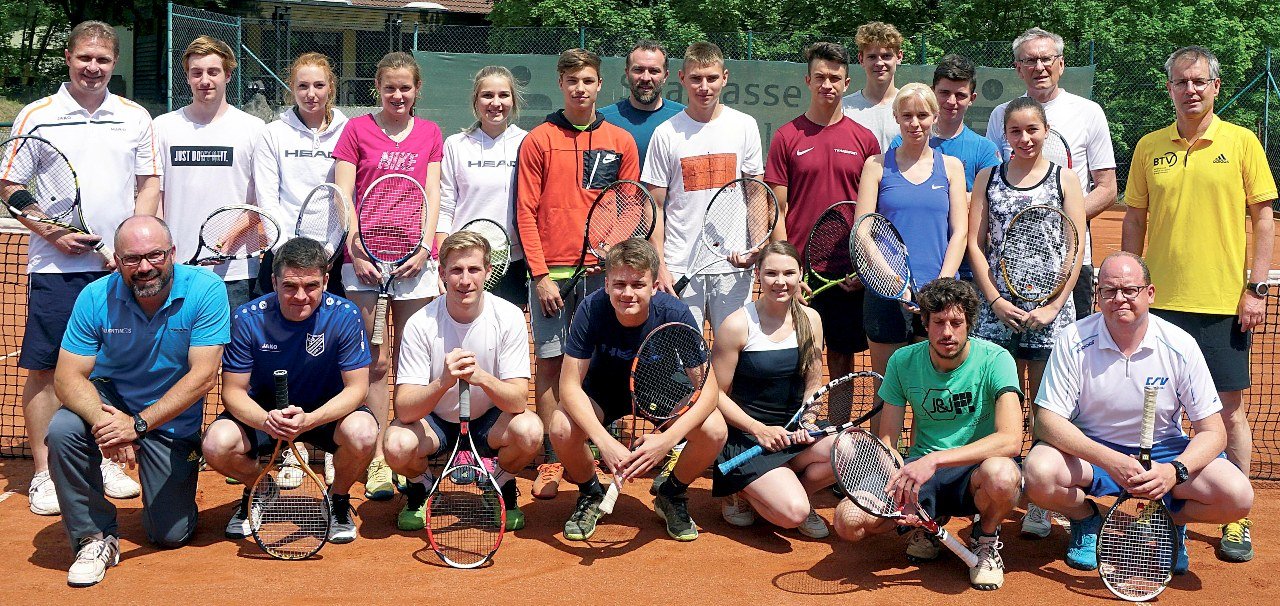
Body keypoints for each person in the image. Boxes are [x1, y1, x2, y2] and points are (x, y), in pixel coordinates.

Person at [1121, 45, 1276, 562]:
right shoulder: (1148, 147)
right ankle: (1155, 502)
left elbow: (1262, 218)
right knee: (1153, 411)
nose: (1190, 89)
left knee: (1228, 414)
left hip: (1222, 306)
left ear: (1215, 86)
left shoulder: (1242, 142)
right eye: (1181, 81)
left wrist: (1256, 288)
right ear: (1170, 88)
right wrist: (1127, 286)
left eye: (1200, 81)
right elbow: (1135, 219)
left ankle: (1237, 516)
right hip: (1157, 306)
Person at [1023, 252, 1255, 575]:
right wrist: (1109, 461)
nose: (1120, 299)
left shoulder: (1180, 345)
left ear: (1150, 294)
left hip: (1163, 454)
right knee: (1037, 472)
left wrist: (1175, 471)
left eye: (1130, 290)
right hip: (1094, 453)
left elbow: (1214, 432)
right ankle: (1086, 520)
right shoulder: (1073, 340)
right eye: (1109, 291)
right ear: (1098, 296)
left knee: (1238, 495)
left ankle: (1167, 522)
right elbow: (1047, 421)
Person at [9, 20, 156, 517]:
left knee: (111, 368)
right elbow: (10, 186)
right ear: (69, 58)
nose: (94, 67)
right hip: (54, 267)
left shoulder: (135, 117)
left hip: (119, 268)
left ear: (114, 64)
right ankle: (45, 472)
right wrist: (52, 231)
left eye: (103, 60)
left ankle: (106, 457)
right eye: (85, 58)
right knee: (48, 369)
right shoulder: (38, 115)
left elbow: (148, 185)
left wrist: (134, 245)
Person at [46, 216, 228, 586]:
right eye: (132, 259)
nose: (144, 267)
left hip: (170, 416)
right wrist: (108, 424)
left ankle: (176, 490)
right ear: (117, 259)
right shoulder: (95, 296)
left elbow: (204, 376)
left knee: (170, 534)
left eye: (155, 255)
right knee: (64, 428)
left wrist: (138, 425)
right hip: (112, 401)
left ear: (173, 253)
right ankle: (94, 537)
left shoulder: (207, 289)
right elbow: (66, 376)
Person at [833, 278, 1023, 591]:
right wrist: (899, 486)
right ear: (925, 322)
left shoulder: (996, 359)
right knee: (848, 522)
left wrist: (934, 460)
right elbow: (887, 443)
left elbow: (1011, 439)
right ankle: (928, 526)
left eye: (956, 322)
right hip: (921, 475)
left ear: (969, 324)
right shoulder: (903, 361)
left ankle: (986, 536)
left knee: (1002, 475)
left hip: (977, 473)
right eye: (938, 322)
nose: (947, 333)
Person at [515, 48, 640, 500]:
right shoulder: (538, 139)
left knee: (598, 365)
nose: (580, 88)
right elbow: (525, 212)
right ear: (561, 84)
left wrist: (611, 264)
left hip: (601, 274)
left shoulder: (621, 141)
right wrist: (541, 274)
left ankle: (592, 451)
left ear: (600, 84)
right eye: (572, 81)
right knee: (551, 365)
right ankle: (551, 458)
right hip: (551, 274)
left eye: (588, 80)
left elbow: (627, 207)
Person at [202, 237, 376, 545]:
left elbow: (357, 389)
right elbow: (232, 391)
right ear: (274, 281)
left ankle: (337, 500)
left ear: (325, 280)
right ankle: (260, 488)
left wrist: (310, 419)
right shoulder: (247, 317)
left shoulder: (346, 315)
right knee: (216, 444)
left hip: (325, 412)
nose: (300, 296)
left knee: (362, 434)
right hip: (265, 413)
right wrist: (267, 420)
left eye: (311, 286)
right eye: (289, 286)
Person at [550, 238, 727, 541]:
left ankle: (671, 493)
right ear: (606, 284)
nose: (628, 293)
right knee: (561, 427)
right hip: (603, 389)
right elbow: (568, 387)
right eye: (619, 284)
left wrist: (666, 440)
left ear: (655, 285)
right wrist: (604, 442)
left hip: (659, 386)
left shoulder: (676, 313)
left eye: (638, 284)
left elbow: (708, 391)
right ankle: (591, 492)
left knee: (714, 430)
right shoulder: (590, 309)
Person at [333, 51, 445, 501]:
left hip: (414, 264)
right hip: (364, 265)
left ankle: (418, 451)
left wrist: (424, 247)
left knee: (415, 361)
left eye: (406, 87)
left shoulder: (431, 133)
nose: (398, 94)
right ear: (377, 88)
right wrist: (355, 248)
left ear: (417, 90)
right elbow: (343, 196)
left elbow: (433, 195)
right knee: (375, 361)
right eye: (389, 87)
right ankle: (379, 458)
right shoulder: (356, 130)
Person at [384, 231, 542, 532]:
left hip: (488, 420)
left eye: (473, 269)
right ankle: (421, 487)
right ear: (442, 274)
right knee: (396, 445)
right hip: (436, 422)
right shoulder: (421, 322)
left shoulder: (508, 317)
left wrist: (481, 378)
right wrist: (443, 381)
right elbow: (404, 409)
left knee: (530, 431)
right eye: (456, 270)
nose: (465, 280)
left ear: (488, 273)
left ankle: (500, 485)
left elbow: (519, 400)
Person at [985, 27, 1117, 328]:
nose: (1039, 67)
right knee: (1011, 358)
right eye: (1029, 61)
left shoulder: (1089, 112)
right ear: (1018, 69)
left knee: (1070, 354)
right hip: (1011, 263)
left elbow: (1107, 189)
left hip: (1070, 262)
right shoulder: (1000, 115)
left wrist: (1058, 222)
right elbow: (993, 184)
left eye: (1046, 58)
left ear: (1061, 64)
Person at [765, 41, 879, 380]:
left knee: (842, 361)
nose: (827, 84)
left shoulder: (865, 140)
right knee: (798, 357)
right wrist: (790, 269)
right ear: (808, 81)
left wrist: (865, 268)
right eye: (820, 77)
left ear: (846, 83)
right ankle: (802, 427)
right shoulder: (786, 137)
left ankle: (839, 430)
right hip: (802, 273)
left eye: (835, 78)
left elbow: (871, 213)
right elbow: (778, 209)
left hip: (847, 271)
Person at [711, 242, 832, 538]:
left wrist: (808, 418)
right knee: (793, 514)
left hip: (793, 434)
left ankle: (788, 489)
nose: (781, 281)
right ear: (758, 276)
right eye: (771, 274)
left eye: (789, 273)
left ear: (800, 274)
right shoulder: (736, 325)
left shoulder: (811, 319)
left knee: (850, 451)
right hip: (748, 438)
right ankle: (742, 492)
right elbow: (713, 394)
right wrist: (759, 429)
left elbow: (813, 379)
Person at [968, 96, 1085, 401]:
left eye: (1032, 129)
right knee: (998, 403)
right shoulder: (988, 178)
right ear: (1005, 134)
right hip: (998, 310)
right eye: (1015, 131)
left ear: (1047, 130)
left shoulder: (1065, 179)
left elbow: (1075, 250)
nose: (1025, 138)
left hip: (1049, 311)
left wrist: (1053, 307)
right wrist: (995, 302)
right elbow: (975, 245)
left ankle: (1038, 451)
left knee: (1046, 406)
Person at [645, 41, 765, 333]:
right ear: (682, 79)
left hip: (734, 268)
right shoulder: (665, 133)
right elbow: (655, 207)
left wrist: (756, 246)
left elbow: (756, 194)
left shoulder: (745, 126)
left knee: (734, 356)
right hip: (679, 268)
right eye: (696, 78)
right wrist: (660, 265)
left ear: (724, 77)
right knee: (684, 362)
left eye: (712, 78)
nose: (704, 86)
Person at [854, 84, 969, 383]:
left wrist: (939, 285)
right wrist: (892, 281)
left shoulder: (953, 167)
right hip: (886, 295)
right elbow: (863, 230)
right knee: (886, 391)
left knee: (929, 395)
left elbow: (960, 233)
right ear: (895, 117)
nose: (914, 123)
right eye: (906, 115)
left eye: (921, 115)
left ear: (934, 116)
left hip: (938, 298)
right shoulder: (876, 166)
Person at [152, 35, 267, 309]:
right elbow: (154, 196)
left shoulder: (254, 129)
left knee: (232, 352)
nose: (205, 80)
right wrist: (162, 253)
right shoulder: (163, 127)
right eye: (197, 73)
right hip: (176, 270)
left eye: (213, 72)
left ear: (227, 75)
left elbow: (261, 202)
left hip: (236, 272)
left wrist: (230, 240)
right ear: (188, 77)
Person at [888, 54, 1001, 285]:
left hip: (968, 272)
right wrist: (964, 199)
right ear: (932, 92)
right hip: (908, 270)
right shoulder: (900, 144)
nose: (951, 101)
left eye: (960, 95)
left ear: (972, 98)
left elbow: (990, 206)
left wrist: (955, 199)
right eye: (944, 93)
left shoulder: (985, 150)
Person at [254, 51, 350, 297]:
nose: (311, 94)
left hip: (332, 256)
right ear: (292, 88)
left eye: (319, 85)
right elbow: (267, 198)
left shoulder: (348, 131)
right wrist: (284, 251)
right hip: (282, 254)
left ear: (330, 87)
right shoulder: (272, 133)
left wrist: (329, 252)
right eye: (303, 86)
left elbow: (347, 195)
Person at [437, 65, 528, 307]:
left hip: (513, 261)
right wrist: (443, 260)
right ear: (476, 101)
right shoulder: (455, 144)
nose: (495, 103)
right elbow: (445, 205)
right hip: (465, 263)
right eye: (487, 95)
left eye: (503, 95)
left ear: (513, 100)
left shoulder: (528, 142)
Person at [598, 40, 686, 170]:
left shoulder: (684, 118)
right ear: (627, 73)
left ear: (666, 75)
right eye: (638, 70)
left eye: (654, 71)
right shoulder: (602, 120)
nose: (645, 78)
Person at [842, 22, 905, 152]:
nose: (879, 63)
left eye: (886, 56)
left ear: (899, 57)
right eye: (872, 57)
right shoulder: (844, 108)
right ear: (861, 59)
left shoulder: (910, 105)